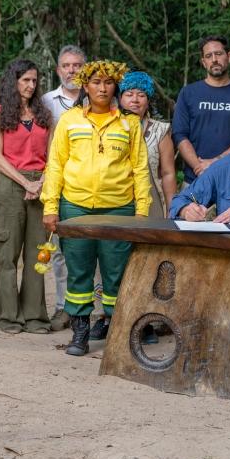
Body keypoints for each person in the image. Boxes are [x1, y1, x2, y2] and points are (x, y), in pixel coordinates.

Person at [41, 60, 151, 357]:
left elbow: (140, 168)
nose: (102, 88)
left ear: (116, 85)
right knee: (79, 272)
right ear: (85, 86)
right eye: (96, 82)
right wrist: (51, 206)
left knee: (117, 273)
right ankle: (80, 331)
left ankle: (117, 328)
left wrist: (142, 211)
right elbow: (56, 166)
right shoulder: (69, 121)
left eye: (108, 82)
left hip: (119, 209)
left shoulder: (129, 123)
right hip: (75, 206)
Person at [0, 59, 54, 334]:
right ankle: (9, 317)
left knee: (37, 253)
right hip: (10, 186)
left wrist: (41, 182)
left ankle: (35, 316)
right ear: (13, 81)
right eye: (25, 80)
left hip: (41, 184)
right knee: (8, 253)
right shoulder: (0, 112)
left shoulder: (43, 114)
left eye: (34, 81)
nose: (30, 85)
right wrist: (24, 183)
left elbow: (53, 156)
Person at [39, 45, 87, 332]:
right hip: (56, 184)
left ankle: (89, 310)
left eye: (77, 65)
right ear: (58, 70)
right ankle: (63, 308)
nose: (72, 70)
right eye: (67, 66)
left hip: (86, 184)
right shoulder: (46, 102)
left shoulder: (97, 99)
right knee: (57, 251)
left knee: (88, 247)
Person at [172, 36, 230, 185]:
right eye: (208, 56)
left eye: (218, 54)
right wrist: (198, 166)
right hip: (195, 179)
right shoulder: (188, 93)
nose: (214, 59)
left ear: (229, 56)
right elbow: (179, 134)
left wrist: (214, 163)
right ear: (203, 62)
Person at [118, 71, 177, 218]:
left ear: (148, 100)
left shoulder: (160, 131)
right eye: (129, 94)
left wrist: (172, 210)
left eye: (141, 95)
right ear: (120, 99)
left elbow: (168, 173)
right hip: (116, 202)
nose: (135, 99)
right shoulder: (109, 128)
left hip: (151, 201)